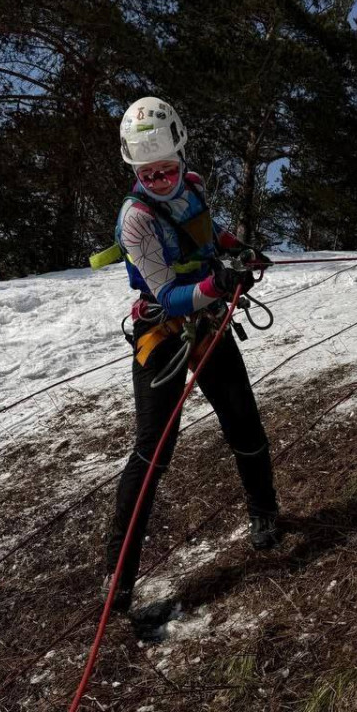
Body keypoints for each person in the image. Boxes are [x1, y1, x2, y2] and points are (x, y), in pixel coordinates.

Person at [104, 97, 279, 615]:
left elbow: (209, 233)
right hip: (163, 329)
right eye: (148, 174)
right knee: (153, 451)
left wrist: (238, 250)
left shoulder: (194, 187)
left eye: (166, 170)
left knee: (243, 420)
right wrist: (218, 284)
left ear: (181, 158)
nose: (159, 180)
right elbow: (167, 295)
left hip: (208, 323)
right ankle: (119, 576)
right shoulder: (135, 219)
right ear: (135, 171)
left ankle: (265, 512)